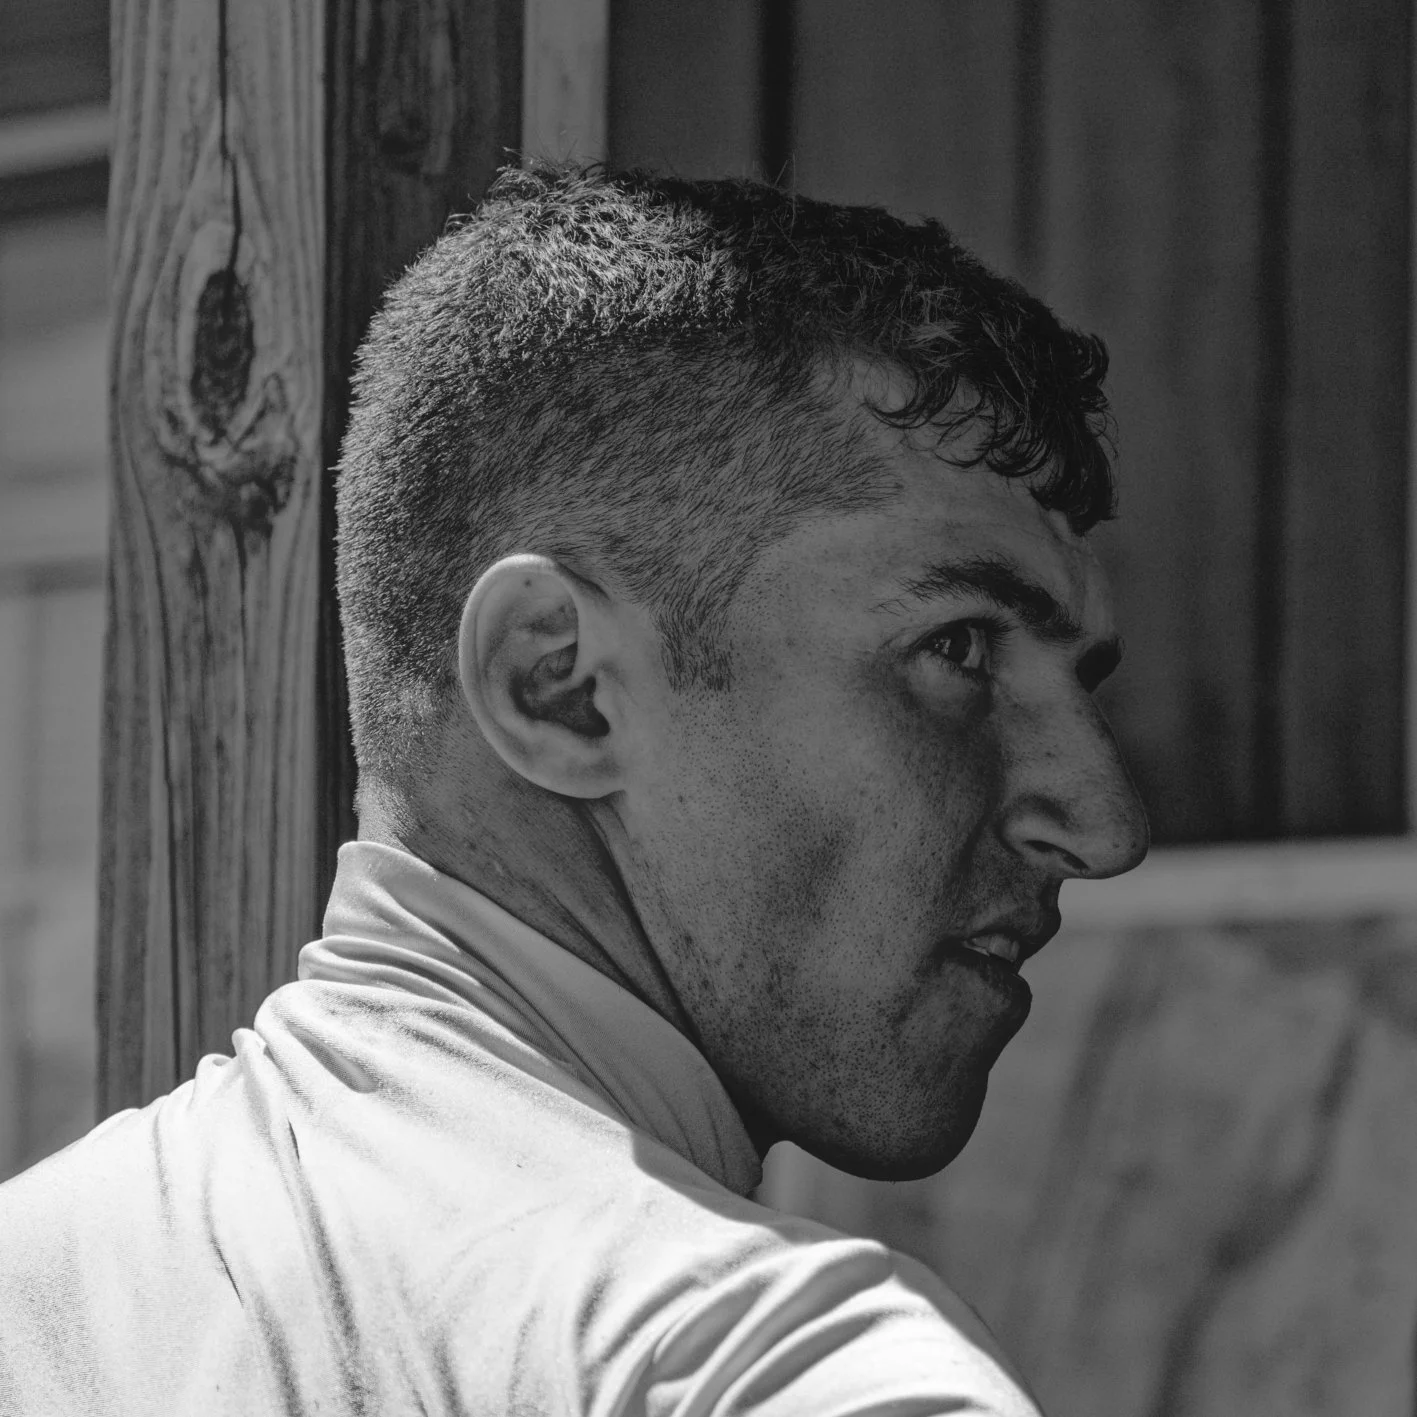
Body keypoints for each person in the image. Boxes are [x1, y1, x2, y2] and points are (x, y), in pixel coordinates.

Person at [0, 164, 1147, 1415]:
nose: (1101, 819)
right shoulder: (775, 1367)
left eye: (1084, 687)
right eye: (959, 650)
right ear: (559, 685)